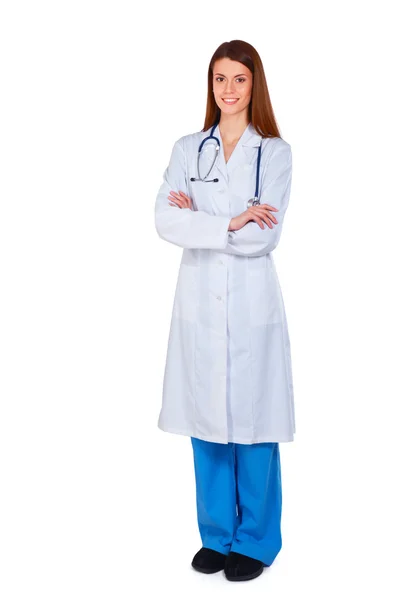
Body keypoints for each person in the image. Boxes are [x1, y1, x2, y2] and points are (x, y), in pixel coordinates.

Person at [154, 39, 295, 582]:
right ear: (210, 85)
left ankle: (255, 541)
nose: (229, 89)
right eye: (220, 79)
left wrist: (206, 220)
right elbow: (165, 220)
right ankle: (216, 536)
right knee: (206, 420)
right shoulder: (189, 148)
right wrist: (233, 220)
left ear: (254, 85)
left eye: (239, 79)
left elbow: (267, 235)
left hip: (253, 301)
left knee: (254, 423)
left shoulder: (275, 152)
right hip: (199, 304)